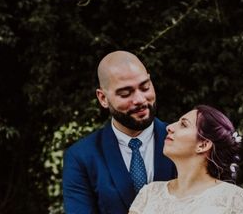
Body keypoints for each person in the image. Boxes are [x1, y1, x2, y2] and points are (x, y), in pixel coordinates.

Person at [63, 50, 176, 214]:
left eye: (145, 87)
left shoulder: (186, 141)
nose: (140, 100)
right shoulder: (81, 157)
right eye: (125, 93)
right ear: (103, 98)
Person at [129, 105, 243, 214]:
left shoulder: (231, 197)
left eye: (183, 124)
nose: (169, 127)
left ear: (203, 145)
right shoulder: (149, 193)